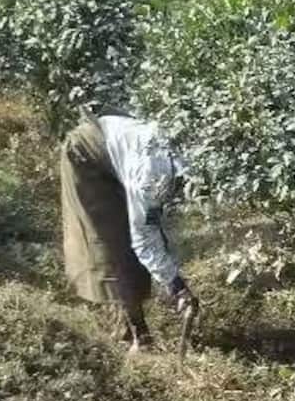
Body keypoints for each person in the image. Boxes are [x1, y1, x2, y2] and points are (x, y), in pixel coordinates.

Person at [57, 111, 197, 350]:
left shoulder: (198, 158)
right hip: (86, 155)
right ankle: (140, 337)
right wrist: (176, 287)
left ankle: (125, 326)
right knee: (113, 247)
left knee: (143, 233)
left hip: (120, 154)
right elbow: (144, 238)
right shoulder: (152, 178)